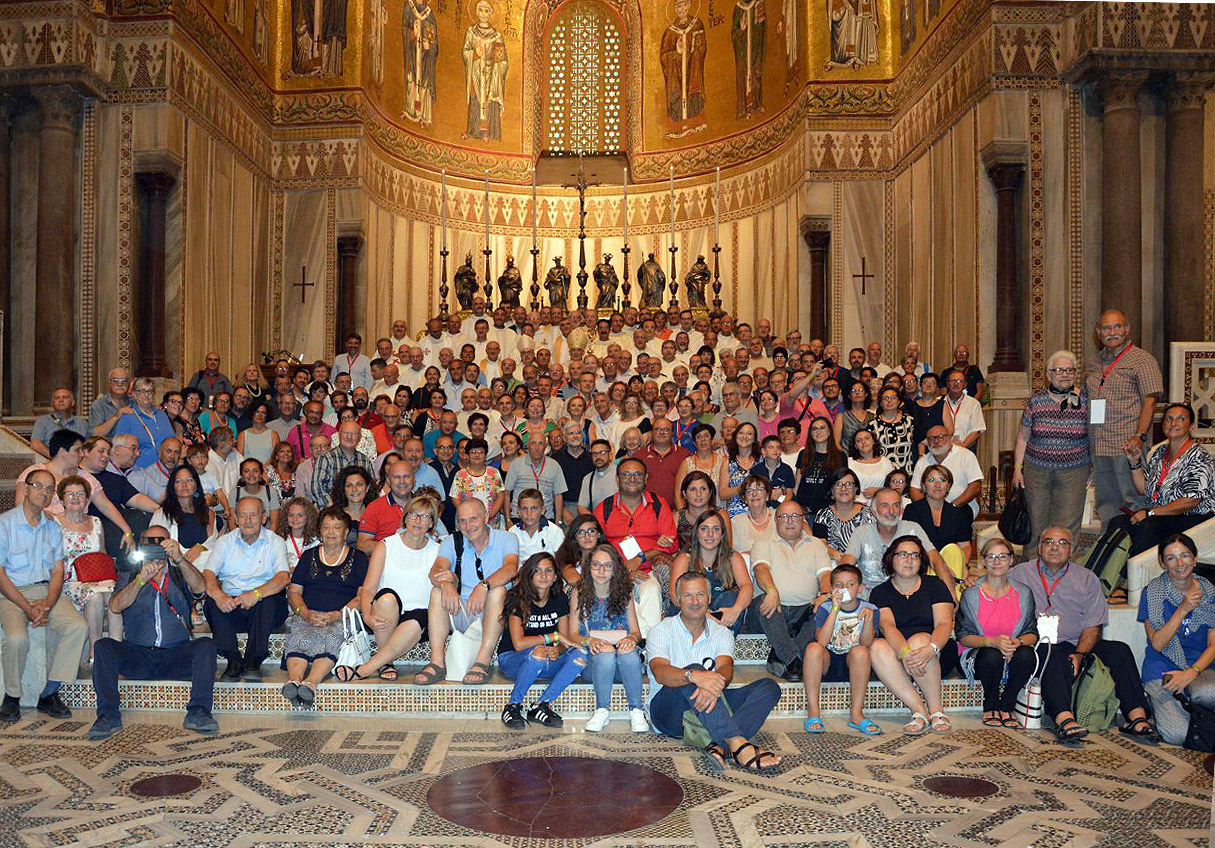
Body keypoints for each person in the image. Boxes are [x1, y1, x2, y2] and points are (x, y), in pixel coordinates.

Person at [1009, 526, 1161, 745]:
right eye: (1049, 542)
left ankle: (1136, 717)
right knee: (1051, 651)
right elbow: (995, 590)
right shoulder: (1020, 573)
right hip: (1038, 643)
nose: (1055, 547)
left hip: (1077, 643)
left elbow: (1093, 626)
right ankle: (1064, 718)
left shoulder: (1087, 579)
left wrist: (1080, 654)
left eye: (1062, 543)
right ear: (1040, 547)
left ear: (1072, 551)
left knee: (1119, 650)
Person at [87, 526, 218, 740]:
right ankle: (108, 716)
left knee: (206, 645)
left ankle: (199, 712)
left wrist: (181, 560)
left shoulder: (179, 571)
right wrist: (140, 581)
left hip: (175, 653)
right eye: (150, 541)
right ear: (141, 543)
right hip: (138, 654)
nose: (156, 545)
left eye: (161, 540)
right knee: (103, 646)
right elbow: (115, 606)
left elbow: (200, 587)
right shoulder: (130, 572)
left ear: (170, 543)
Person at [647, 571, 783, 773]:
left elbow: (725, 669)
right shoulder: (660, 631)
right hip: (669, 714)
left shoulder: (722, 632)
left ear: (709, 598)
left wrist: (711, 683)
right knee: (695, 669)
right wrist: (694, 676)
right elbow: (660, 672)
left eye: (700, 595)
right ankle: (738, 744)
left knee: (769, 687)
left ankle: (718, 744)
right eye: (688, 595)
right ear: (678, 600)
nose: (694, 601)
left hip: (710, 703)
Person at [0, 469, 89, 721]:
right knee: (17, 639)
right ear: (26, 488)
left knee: (77, 627)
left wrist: (48, 604)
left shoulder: (52, 527)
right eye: (39, 486)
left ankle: (49, 693)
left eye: (50, 489)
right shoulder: (4, 524)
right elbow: (1, 575)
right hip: (12, 594)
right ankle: (12, 697)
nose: (45, 492)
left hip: (47, 592)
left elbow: (58, 569)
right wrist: (28, 609)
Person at [413, 499, 519, 686]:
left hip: (496, 612)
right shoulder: (451, 541)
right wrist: (446, 585)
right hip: (462, 608)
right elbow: (435, 571)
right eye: (463, 521)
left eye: (473, 519)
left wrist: (484, 585)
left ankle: (482, 661)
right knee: (436, 592)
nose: (468, 526)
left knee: (498, 591)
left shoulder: (507, 538)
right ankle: (437, 662)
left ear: (486, 517)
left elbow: (511, 569)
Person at [867, 535, 957, 735]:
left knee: (919, 640)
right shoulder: (880, 592)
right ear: (891, 559)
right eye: (903, 554)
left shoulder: (935, 585)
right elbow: (887, 627)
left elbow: (944, 623)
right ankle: (918, 710)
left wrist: (931, 648)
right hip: (900, 652)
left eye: (915, 556)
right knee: (876, 646)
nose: (909, 559)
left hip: (937, 648)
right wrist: (904, 653)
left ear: (921, 562)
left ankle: (936, 709)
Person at [1085, 309, 1163, 531]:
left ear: (1127, 329)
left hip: (1127, 445)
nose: (1112, 332)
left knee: (1134, 502)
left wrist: (1140, 436)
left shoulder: (1142, 360)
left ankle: (1138, 552)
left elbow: (1150, 401)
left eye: (1117, 327)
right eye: (1107, 328)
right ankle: (1113, 550)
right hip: (1099, 445)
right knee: (1107, 505)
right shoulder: (1094, 362)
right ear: (1098, 332)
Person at [283, 507, 369, 708]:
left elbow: (363, 596)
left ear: (346, 532)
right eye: (326, 527)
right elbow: (294, 592)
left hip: (342, 617)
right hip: (307, 614)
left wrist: (338, 615)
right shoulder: (308, 556)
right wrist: (304, 613)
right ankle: (294, 681)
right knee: (299, 636)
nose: (331, 532)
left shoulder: (358, 558)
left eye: (337, 527)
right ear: (320, 531)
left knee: (332, 637)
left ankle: (310, 684)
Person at [353, 494, 441, 680]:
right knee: (386, 598)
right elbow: (369, 588)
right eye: (413, 514)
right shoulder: (386, 545)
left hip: (418, 621)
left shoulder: (437, 550)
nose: (417, 520)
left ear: (432, 523)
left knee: (417, 619)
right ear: (405, 518)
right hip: (385, 616)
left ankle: (368, 668)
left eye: (424, 516)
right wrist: (367, 615)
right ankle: (386, 662)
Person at [1138, 533, 1215, 746]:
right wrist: (1184, 608)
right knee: (1177, 735)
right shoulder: (1152, 593)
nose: (1180, 563)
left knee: (1208, 692)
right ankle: (1160, 702)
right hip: (1163, 670)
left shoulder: (1210, 592)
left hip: (1200, 669)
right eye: (1171, 558)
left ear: (1195, 558)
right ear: (1163, 563)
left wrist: (1190, 674)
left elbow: (1213, 645)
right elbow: (1158, 643)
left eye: (1185, 555)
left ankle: (1193, 701)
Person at [202, 497, 290, 681]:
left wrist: (256, 594)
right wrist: (219, 595)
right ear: (235, 517)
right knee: (211, 603)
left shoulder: (276, 542)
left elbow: (283, 578)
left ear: (264, 517)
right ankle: (233, 659)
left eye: (253, 515)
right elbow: (209, 574)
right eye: (243, 515)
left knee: (269, 602)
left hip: (264, 604)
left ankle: (253, 661)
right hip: (232, 605)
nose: (248, 520)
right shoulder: (224, 542)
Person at [1011, 350, 1090, 553]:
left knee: (1067, 526)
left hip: (1073, 471)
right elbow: (1022, 437)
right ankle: (1032, 572)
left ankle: (1064, 574)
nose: (1064, 374)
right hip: (1037, 471)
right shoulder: (1036, 402)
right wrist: (1018, 469)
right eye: (1058, 370)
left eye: (1069, 370)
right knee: (1036, 524)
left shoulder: (1087, 401)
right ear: (1048, 375)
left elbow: (1096, 436)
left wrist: (1096, 468)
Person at [497, 552, 586, 729]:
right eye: (537, 571)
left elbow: (564, 640)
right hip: (513, 659)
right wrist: (550, 638)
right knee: (537, 652)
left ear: (555, 577)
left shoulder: (559, 598)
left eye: (548, 571)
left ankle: (541, 705)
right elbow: (519, 644)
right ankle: (512, 706)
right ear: (529, 575)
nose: (543, 575)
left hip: (546, 659)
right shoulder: (517, 598)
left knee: (581, 654)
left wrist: (557, 649)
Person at [956, 537, 1038, 728]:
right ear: (983, 561)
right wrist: (992, 642)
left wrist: (1016, 643)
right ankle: (990, 705)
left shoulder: (1024, 593)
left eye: (1002, 556)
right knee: (991, 655)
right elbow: (963, 636)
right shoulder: (971, 593)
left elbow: (1032, 633)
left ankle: (1007, 705)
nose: (997, 561)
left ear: (1012, 560)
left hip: (1012, 650)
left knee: (1026, 655)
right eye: (991, 556)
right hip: (978, 654)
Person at [1113, 402, 1215, 556]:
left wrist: (1151, 513)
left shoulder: (1198, 456)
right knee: (1119, 523)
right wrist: (1134, 462)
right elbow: (1144, 489)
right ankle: (1109, 575)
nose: (1173, 423)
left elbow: (1192, 500)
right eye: (1168, 419)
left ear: (1191, 426)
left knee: (1148, 526)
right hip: (1163, 515)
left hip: (1194, 518)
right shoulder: (1160, 452)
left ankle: (1135, 576)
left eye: (1180, 419)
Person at [749, 500, 833, 681]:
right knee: (763, 600)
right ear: (775, 521)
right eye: (784, 516)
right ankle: (795, 660)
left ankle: (782, 656)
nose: (789, 521)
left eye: (795, 516)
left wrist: (825, 595)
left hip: (805, 611)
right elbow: (760, 569)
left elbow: (825, 575)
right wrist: (772, 590)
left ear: (803, 520)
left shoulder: (816, 544)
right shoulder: (764, 541)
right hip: (774, 610)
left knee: (827, 607)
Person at [592, 459, 676, 636]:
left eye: (637, 474)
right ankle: (634, 641)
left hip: (648, 570)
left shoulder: (658, 505)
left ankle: (649, 644)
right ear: (617, 479)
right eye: (626, 474)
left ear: (646, 478)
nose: (632, 478)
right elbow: (595, 548)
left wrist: (641, 557)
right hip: (611, 572)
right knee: (625, 596)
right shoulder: (604, 508)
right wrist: (621, 568)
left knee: (652, 590)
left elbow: (671, 544)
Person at [572, 544, 646, 733]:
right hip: (593, 662)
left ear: (615, 568)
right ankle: (602, 709)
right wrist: (591, 641)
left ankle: (636, 710)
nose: (601, 571)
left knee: (629, 653)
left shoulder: (625, 591)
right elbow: (572, 634)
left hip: (622, 662)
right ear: (589, 567)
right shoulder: (579, 592)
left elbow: (637, 633)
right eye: (596, 565)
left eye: (607, 565)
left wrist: (630, 638)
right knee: (605, 654)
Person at [802, 563, 881, 736]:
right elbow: (822, 641)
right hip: (827, 661)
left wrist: (868, 621)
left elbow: (867, 643)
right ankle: (814, 712)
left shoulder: (871, 609)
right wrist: (834, 608)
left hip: (853, 664)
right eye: (838, 585)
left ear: (860, 588)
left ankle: (856, 713)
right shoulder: (825, 608)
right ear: (831, 589)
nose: (844, 589)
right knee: (813, 649)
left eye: (850, 584)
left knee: (861, 651)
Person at [839, 487, 953, 596]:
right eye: (884, 506)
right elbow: (846, 566)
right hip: (869, 595)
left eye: (896, 505)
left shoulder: (913, 529)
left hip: (908, 594)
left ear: (901, 510)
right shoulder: (862, 532)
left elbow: (936, 561)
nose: (891, 511)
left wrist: (950, 598)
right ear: (873, 511)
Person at [55, 475, 121, 659]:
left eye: (80, 493)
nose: (75, 497)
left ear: (87, 499)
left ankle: (116, 651)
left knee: (115, 596)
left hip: (98, 576)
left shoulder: (96, 522)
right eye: (70, 494)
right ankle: (96, 651)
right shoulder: (54, 523)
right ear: (61, 499)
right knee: (95, 597)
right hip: (71, 580)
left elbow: (102, 553)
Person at [669, 510, 753, 634]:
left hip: (722, 615)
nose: (710, 534)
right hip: (691, 610)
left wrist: (735, 610)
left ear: (722, 534)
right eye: (704, 529)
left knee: (732, 597)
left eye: (716, 529)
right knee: (683, 604)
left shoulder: (733, 557)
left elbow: (747, 587)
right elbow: (675, 596)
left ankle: (722, 647)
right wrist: (704, 614)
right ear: (696, 533)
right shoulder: (684, 558)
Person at [903, 464, 974, 563]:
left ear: (948, 486)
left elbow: (965, 546)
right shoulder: (912, 510)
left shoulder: (958, 513)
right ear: (923, 486)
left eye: (942, 480)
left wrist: (963, 566)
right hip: (920, 566)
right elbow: (907, 544)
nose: (937, 485)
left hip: (951, 567)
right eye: (931, 480)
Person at [909, 426, 983, 516]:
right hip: (930, 512)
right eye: (932, 438)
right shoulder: (922, 461)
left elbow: (975, 487)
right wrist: (927, 509)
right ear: (927, 442)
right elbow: (914, 490)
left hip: (960, 507)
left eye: (941, 437)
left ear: (949, 438)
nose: (936, 441)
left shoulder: (966, 455)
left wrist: (951, 506)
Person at [504, 431, 567, 522]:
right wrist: (508, 520)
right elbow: (506, 494)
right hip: (519, 518)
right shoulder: (516, 464)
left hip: (546, 518)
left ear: (545, 446)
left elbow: (558, 496)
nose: (537, 447)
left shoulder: (554, 465)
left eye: (540, 443)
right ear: (528, 445)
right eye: (533, 443)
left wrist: (558, 522)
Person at [112, 378, 175, 468]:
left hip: (166, 468)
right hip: (140, 470)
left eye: (150, 391)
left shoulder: (161, 415)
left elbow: (172, 440)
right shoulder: (127, 417)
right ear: (134, 394)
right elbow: (120, 450)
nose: (146, 395)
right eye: (142, 391)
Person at [812, 467, 871, 562]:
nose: (843, 488)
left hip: (865, 563)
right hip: (834, 563)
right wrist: (842, 559)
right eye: (838, 484)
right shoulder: (823, 515)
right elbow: (820, 544)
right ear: (832, 490)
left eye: (848, 484)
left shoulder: (869, 514)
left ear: (855, 489)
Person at [312, 421, 374, 509]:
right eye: (346, 433)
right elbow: (317, 488)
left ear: (359, 438)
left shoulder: (365, 461)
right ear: (339, 435)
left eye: (353, 434)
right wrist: (334, 508)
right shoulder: (326, 458)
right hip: (331, 513)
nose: (349, 437)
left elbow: (371, 489)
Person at [634, 418, 690, 508]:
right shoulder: (639, 455)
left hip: (676, 512)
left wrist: (682, 513)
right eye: (657, 429)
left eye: (666, 430)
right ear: (652, 432)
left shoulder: (685, 455)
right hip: (645, 511)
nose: (661, 432)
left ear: (672, 433)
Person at [795, 416, 844, 519]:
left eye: (822, 428)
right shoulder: (803, 454)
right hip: (804, 513)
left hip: (828, 513)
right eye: (814, 429)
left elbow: (841, 486)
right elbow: (797, 486)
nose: (818, 432)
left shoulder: (840, 456)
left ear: (830, 431)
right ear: (810, 433)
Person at [31, 388, 89, 457]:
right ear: (52, 403)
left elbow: (88, 448)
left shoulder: (83, 425)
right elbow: (35, 444)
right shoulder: (43, 422)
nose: (61, 400)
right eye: (57, 398)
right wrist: (55, 458)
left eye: (65, 397)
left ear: (73, 402)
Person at [509, 488, 566, 559]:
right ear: (518, 511)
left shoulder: (555, 532)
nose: (529, 513)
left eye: (534, 508)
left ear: (543, 510)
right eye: (524, 509)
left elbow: (563, 562)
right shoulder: (512, 533)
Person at [720, 421, 761, 516]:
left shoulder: (762, 460)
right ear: (735, 436)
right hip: (735, 515)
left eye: (749, 434)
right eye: (741, 433)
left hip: (759, 513)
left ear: (754, 438)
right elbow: (722, 494)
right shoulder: (728, 462)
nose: (745, 436)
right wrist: (741, 488)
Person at [731, 474, 776, 557]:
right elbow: (733, 555)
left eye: (759, 490)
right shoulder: (737, 522)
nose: (754, 494)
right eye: (749, 491)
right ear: (745, 498)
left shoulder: (779, 518)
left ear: (767, 495)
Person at [940, 368, 986, 451]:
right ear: (947, 384)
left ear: (965, 384)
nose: (956, 384)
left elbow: (976, 430)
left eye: (960, 381)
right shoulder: (938, 402)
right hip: (942, 449)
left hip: (966, 449)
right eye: (953, 381)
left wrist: (962, 447)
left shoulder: (973, 403)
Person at [331, 466, 376, 546]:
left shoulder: (376, 512)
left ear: (367, 487)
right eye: (349, 485)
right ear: (343, 489)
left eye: (359, 484)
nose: (354, 489)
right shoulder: (334, 515)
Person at [848, 429, 892, 505]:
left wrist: (879, 491)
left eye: (867, 438)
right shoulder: (849, 462)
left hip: (881, 506)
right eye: (859, 440)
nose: (863, 442)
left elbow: (893, 486)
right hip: (855, 507)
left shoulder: (886, 462)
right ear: (855, 446)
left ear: (873, 441)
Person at [576, 439, 619, 515]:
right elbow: (581, 507)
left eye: (602, 453)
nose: (598, 457)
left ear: (610, 454)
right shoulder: (588, 479)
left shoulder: (621, 474)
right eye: (594, 453)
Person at [277, 496, 320, 571]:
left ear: (308, 517)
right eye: (291, 515)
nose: (295, 519)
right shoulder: (280, 540)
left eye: (300, 515)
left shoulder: (315, 541)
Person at [89, 368, 132, 439]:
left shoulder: (135, 402)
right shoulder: (100, 404)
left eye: (124, 381)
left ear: (129, 384)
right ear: (109, 383)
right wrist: (116, 416)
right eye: (115, 381)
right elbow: (94, 435)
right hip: (109, 448)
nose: (120, 384)